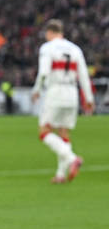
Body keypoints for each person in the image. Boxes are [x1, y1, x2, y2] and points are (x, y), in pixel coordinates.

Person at [30, 19, 93, 183]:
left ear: (49, 32)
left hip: (55, 91)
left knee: (44, 132)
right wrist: (89, 98)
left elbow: (44, 72)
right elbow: (83, 75)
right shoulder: (75, 49)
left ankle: (72, 159)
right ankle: (60, 175)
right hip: (72, 92)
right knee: (64, 133)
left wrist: (36, 90)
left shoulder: (47, 48)